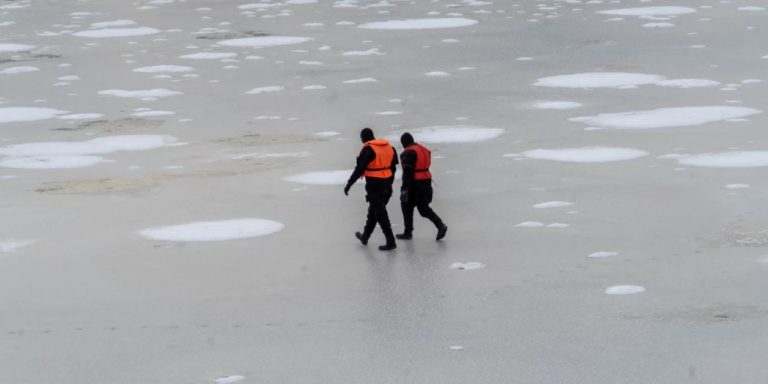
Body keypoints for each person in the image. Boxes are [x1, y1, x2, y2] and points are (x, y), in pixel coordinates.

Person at [344, 128, 398, 251]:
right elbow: (393, 167)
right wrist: (389, 183)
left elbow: (359, 169)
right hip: (387, 185)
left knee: (380, 213)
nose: (361, 141)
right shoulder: (389, 147)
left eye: (361, 138)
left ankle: (391, 241)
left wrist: (349, 184)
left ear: (363, 138)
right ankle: (365, 237)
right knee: (374, 211)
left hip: (374, 186)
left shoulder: (368, 149)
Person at [397, 132, 447, 241]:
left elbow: (408, 173)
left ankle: (408, 232)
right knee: (423, 208)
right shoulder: (424, 149)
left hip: (415, 183)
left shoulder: (408, 153)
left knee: (406, 206)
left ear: (404, 142)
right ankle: (440, 225)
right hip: (427, 181)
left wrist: (404, 189)